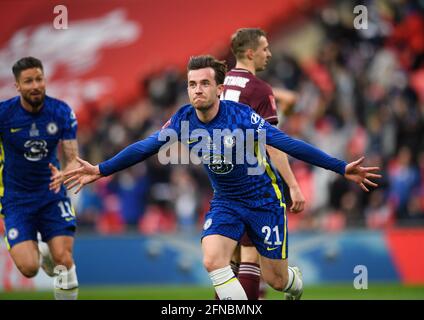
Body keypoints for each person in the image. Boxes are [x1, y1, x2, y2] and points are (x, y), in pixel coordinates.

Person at [63, 55, 380, 300]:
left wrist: (340, 167)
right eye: (192, 84)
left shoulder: (241, 117)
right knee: (213, 261)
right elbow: (146, 147)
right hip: (226, 203)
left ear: (218, 88)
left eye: (203, 83)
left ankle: (293, 281)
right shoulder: (183, 118)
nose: (197, 90)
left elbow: (287, 143)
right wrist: (100, 169)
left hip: (263, 202)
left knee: (277, 280)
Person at [221, 27, 305, 299]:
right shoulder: (259, 90)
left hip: (225, 180)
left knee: (231, 260)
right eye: (265, 48)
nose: (269, 53)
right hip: (255, 182)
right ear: (250, 52)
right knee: (251, 260)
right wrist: (293, 185)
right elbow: (273, 142)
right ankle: (292, 283)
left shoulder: (219, 83)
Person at [0, 57, 80, 300]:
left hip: (51, 193)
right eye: (28, 81)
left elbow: (71, 156)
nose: (35, 85)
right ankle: (42, 256)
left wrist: (67, 172)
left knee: (64, 259)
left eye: (39, 79)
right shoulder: (4, 114)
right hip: (15, 199)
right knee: (29, 268)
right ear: (17, 86)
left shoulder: (61, 111)